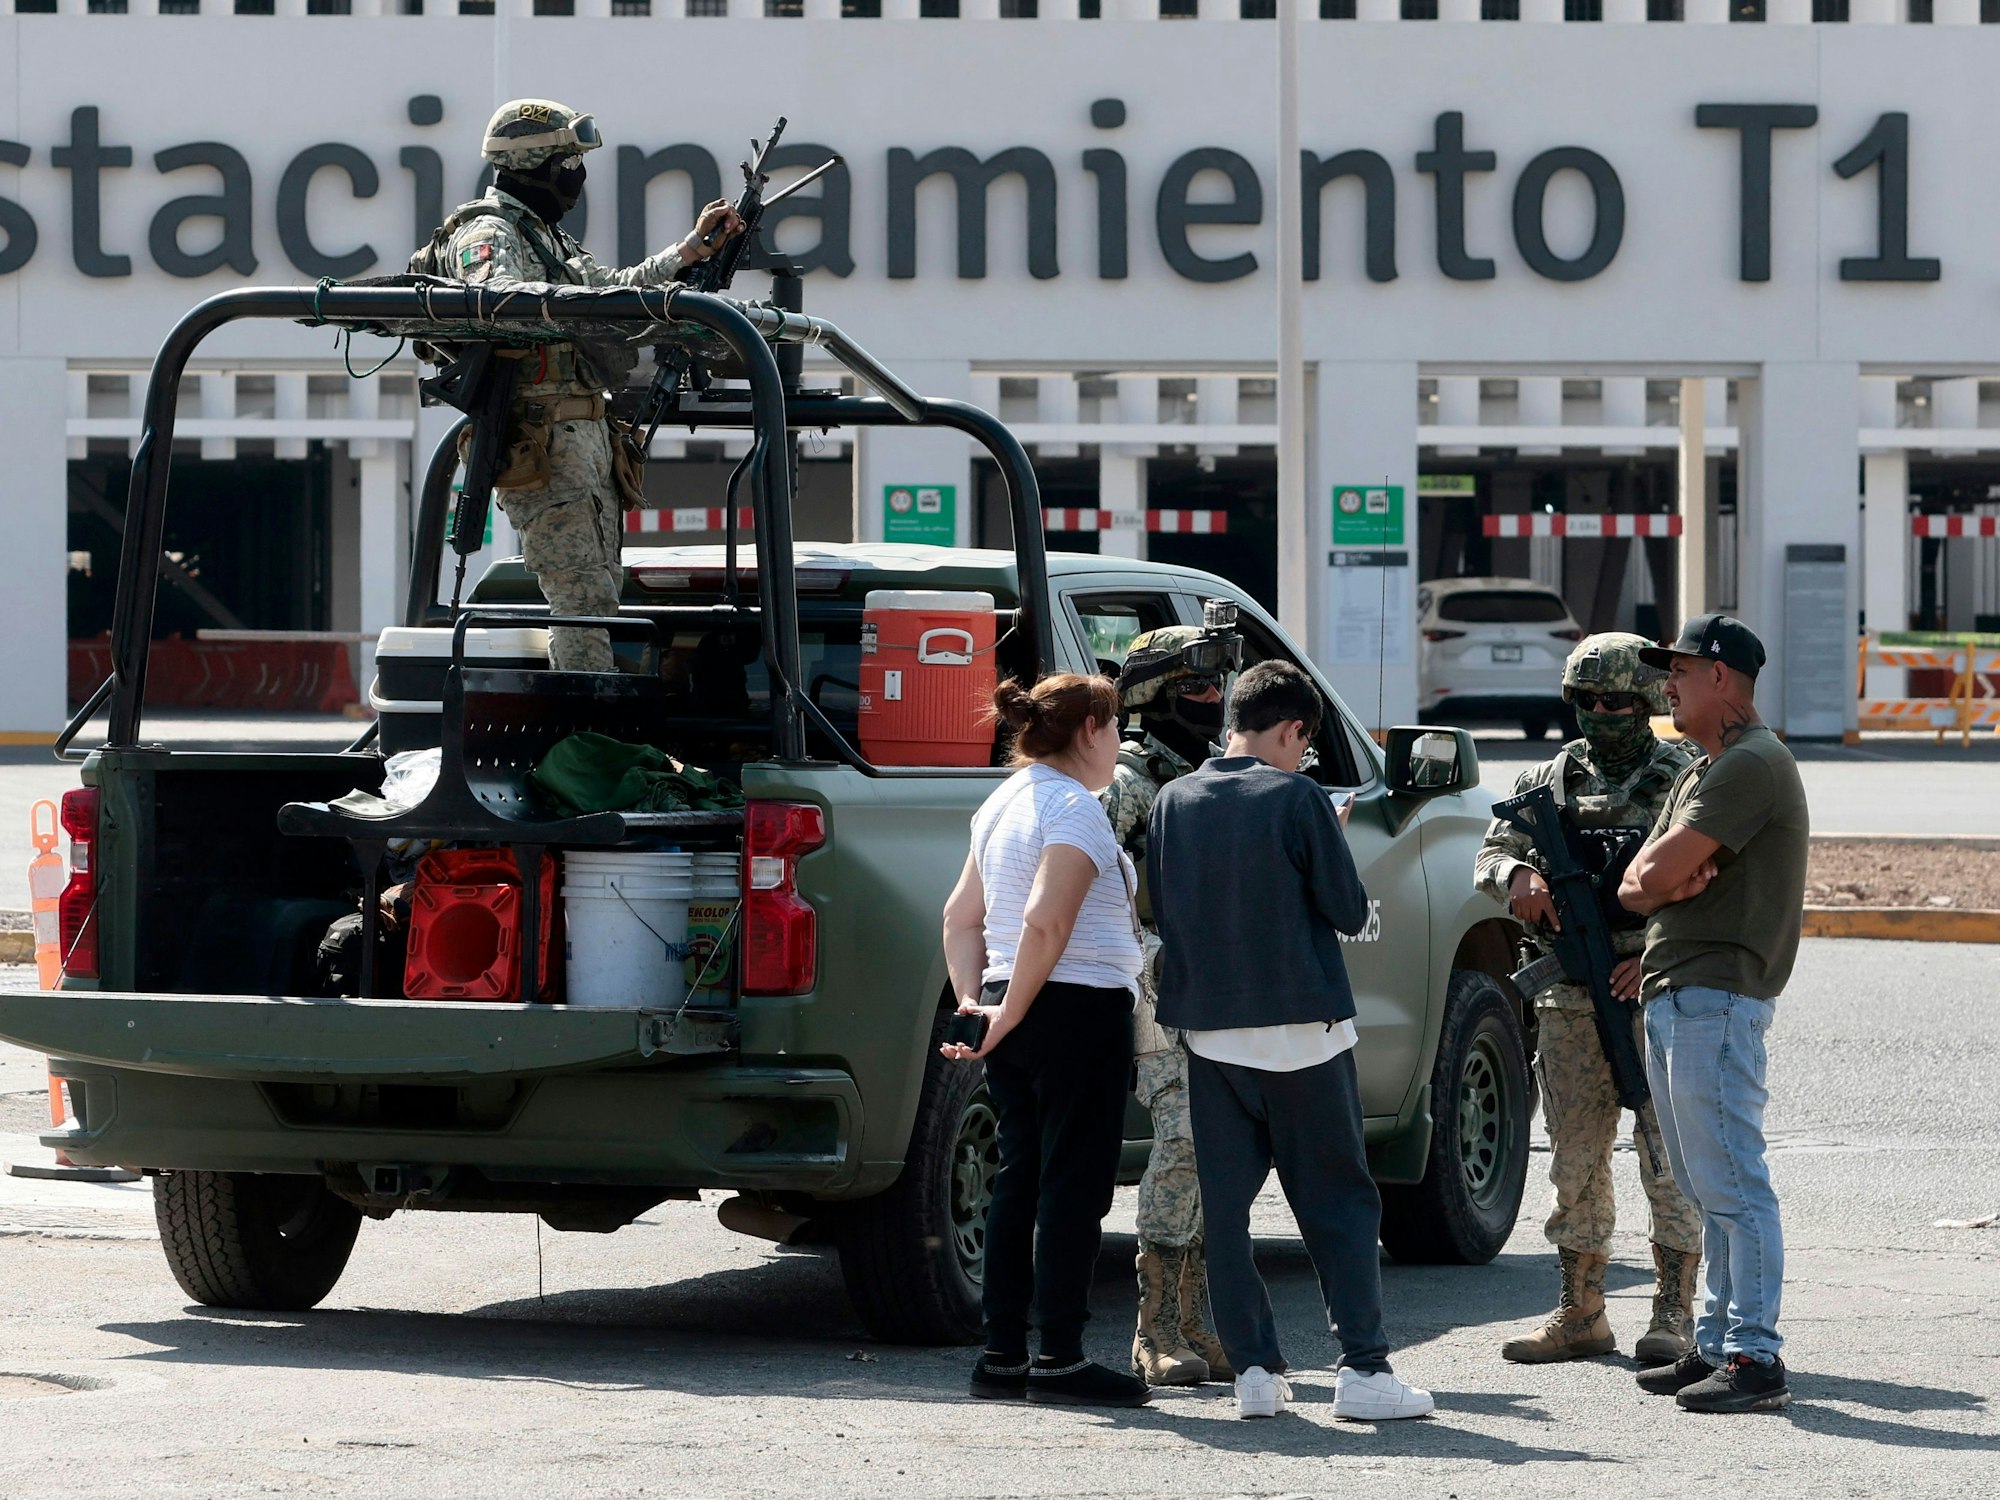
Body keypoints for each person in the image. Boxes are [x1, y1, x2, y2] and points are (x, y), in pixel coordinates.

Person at [1147, 661, 1434, 1422]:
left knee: (1229, 1214)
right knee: (1339, 1205)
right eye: (1302, 745)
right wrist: (1330, 838)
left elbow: (1161, 905)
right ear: (1290, 730)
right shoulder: (1301, 798)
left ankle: (1255, 1375)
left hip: (1211, 1038)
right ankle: (1365, 1373)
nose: (1301, 758)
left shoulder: (1173, 800)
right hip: (1305, 1036)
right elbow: (1343, 909)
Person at [421, 98, 744, 672]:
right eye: (568, 162)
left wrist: (690, 251)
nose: (576, 176)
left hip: (585, 435)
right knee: (580, 601)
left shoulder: (546, 237)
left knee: (599, 594)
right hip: (542, 441)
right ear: (536, 165)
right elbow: (496, 298)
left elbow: (613, 289)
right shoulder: (489, 232)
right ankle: (583, 735)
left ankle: (590, 726)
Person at [1474, 633, 1704, 1367]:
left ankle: (1674, 1309)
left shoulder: (1683, 777)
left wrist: (1647, 953)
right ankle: (1581, 1310)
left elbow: (1716, 881)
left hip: (1655, 992)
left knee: (1668, 1154)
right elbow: (1490, 849)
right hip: (1570, 998)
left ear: (1645, 703)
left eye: (1618, 701)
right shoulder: (1549, 779)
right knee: (1574, 1158)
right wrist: (1516, 875)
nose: (1602, 713)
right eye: (1589, 700)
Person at [939, 673, 1152, 1410]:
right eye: (1116, 727)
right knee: (1072, 1187)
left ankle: (1002, 1356)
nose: (1121, 743)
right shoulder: (1075, 810)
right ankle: (1060, 1357)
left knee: (1021, 1179)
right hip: (1074, 1009)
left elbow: (960, 917)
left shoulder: (1000, 804)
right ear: (1089, 729)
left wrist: (979, 1002)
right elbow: (1045, 922)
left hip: (1012, 1003)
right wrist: (1012, 1010)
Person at [1619, 614, 1808, 1414]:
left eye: (1683, 670)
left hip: (1717, 996)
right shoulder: (1704, 768)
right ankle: (1719, 1342)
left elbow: (1654, 870)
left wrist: (1662, 879)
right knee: (1705, 1185)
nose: (1670, 683)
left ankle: (1755, 1358)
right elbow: (1635, 883)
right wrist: (1660, 882)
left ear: (1723, 679)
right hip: (1681, 992)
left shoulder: (1751, 766)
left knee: (1733, 1182)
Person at [1100, 626, 1237, 1388]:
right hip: (1156, 984)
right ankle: (1153, 1331)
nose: (1212, 702)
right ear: (1151, 698)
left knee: (1220, 1149)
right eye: (1194, 689)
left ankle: (1195, 1324)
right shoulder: (1127, 781)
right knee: (1183, 1138)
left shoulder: (1225, 771)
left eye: (1220, 687)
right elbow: (1090, 881)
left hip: (1227, 989)